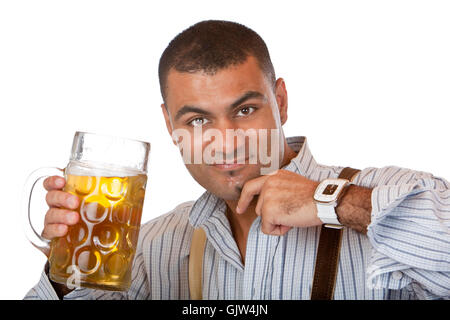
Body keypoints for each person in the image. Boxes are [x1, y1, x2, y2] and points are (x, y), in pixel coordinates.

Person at [25, 20, 449, 300]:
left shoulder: (390, 195)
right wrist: (68, 267)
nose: (225, 143)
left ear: (280, 102)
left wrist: (333, 202)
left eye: (245, 110)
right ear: (169, 125)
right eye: (197, 120)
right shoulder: (151, 247)